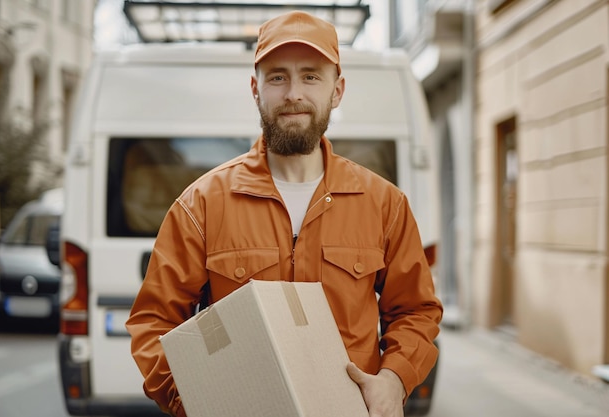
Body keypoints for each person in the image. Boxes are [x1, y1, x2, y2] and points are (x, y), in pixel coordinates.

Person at [126, 10, 443, 417]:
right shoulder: (202, 204)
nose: (294, 93)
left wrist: (394, 379)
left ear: (337, 90)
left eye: (311, 76)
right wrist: (195, 397)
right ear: (256, 89)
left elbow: (416, 311)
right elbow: (153, 322)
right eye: (278, 77)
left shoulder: (383, 204)